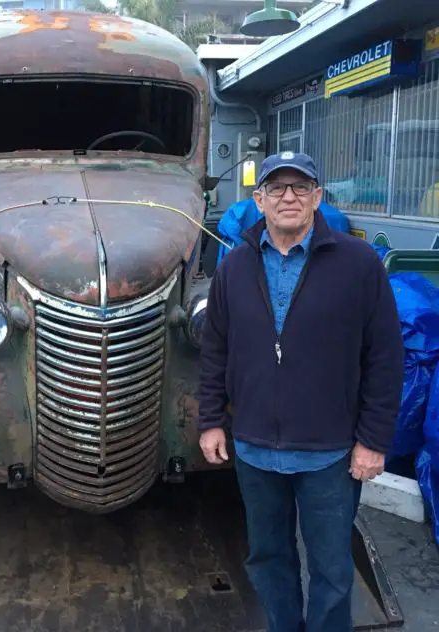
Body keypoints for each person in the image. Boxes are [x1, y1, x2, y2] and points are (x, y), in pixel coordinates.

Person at [196, 151, 404, 632]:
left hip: (329, 453)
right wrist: (210, 420)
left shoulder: (359, 264)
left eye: (300, 187)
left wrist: (373, 441)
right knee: (268, 559)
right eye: (277, 188)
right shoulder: (236, 266)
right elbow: (215, 352)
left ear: (317, 197)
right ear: (259, 199)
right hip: (254, 450)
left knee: (332, 571)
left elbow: (385, 357)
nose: (288, 196)